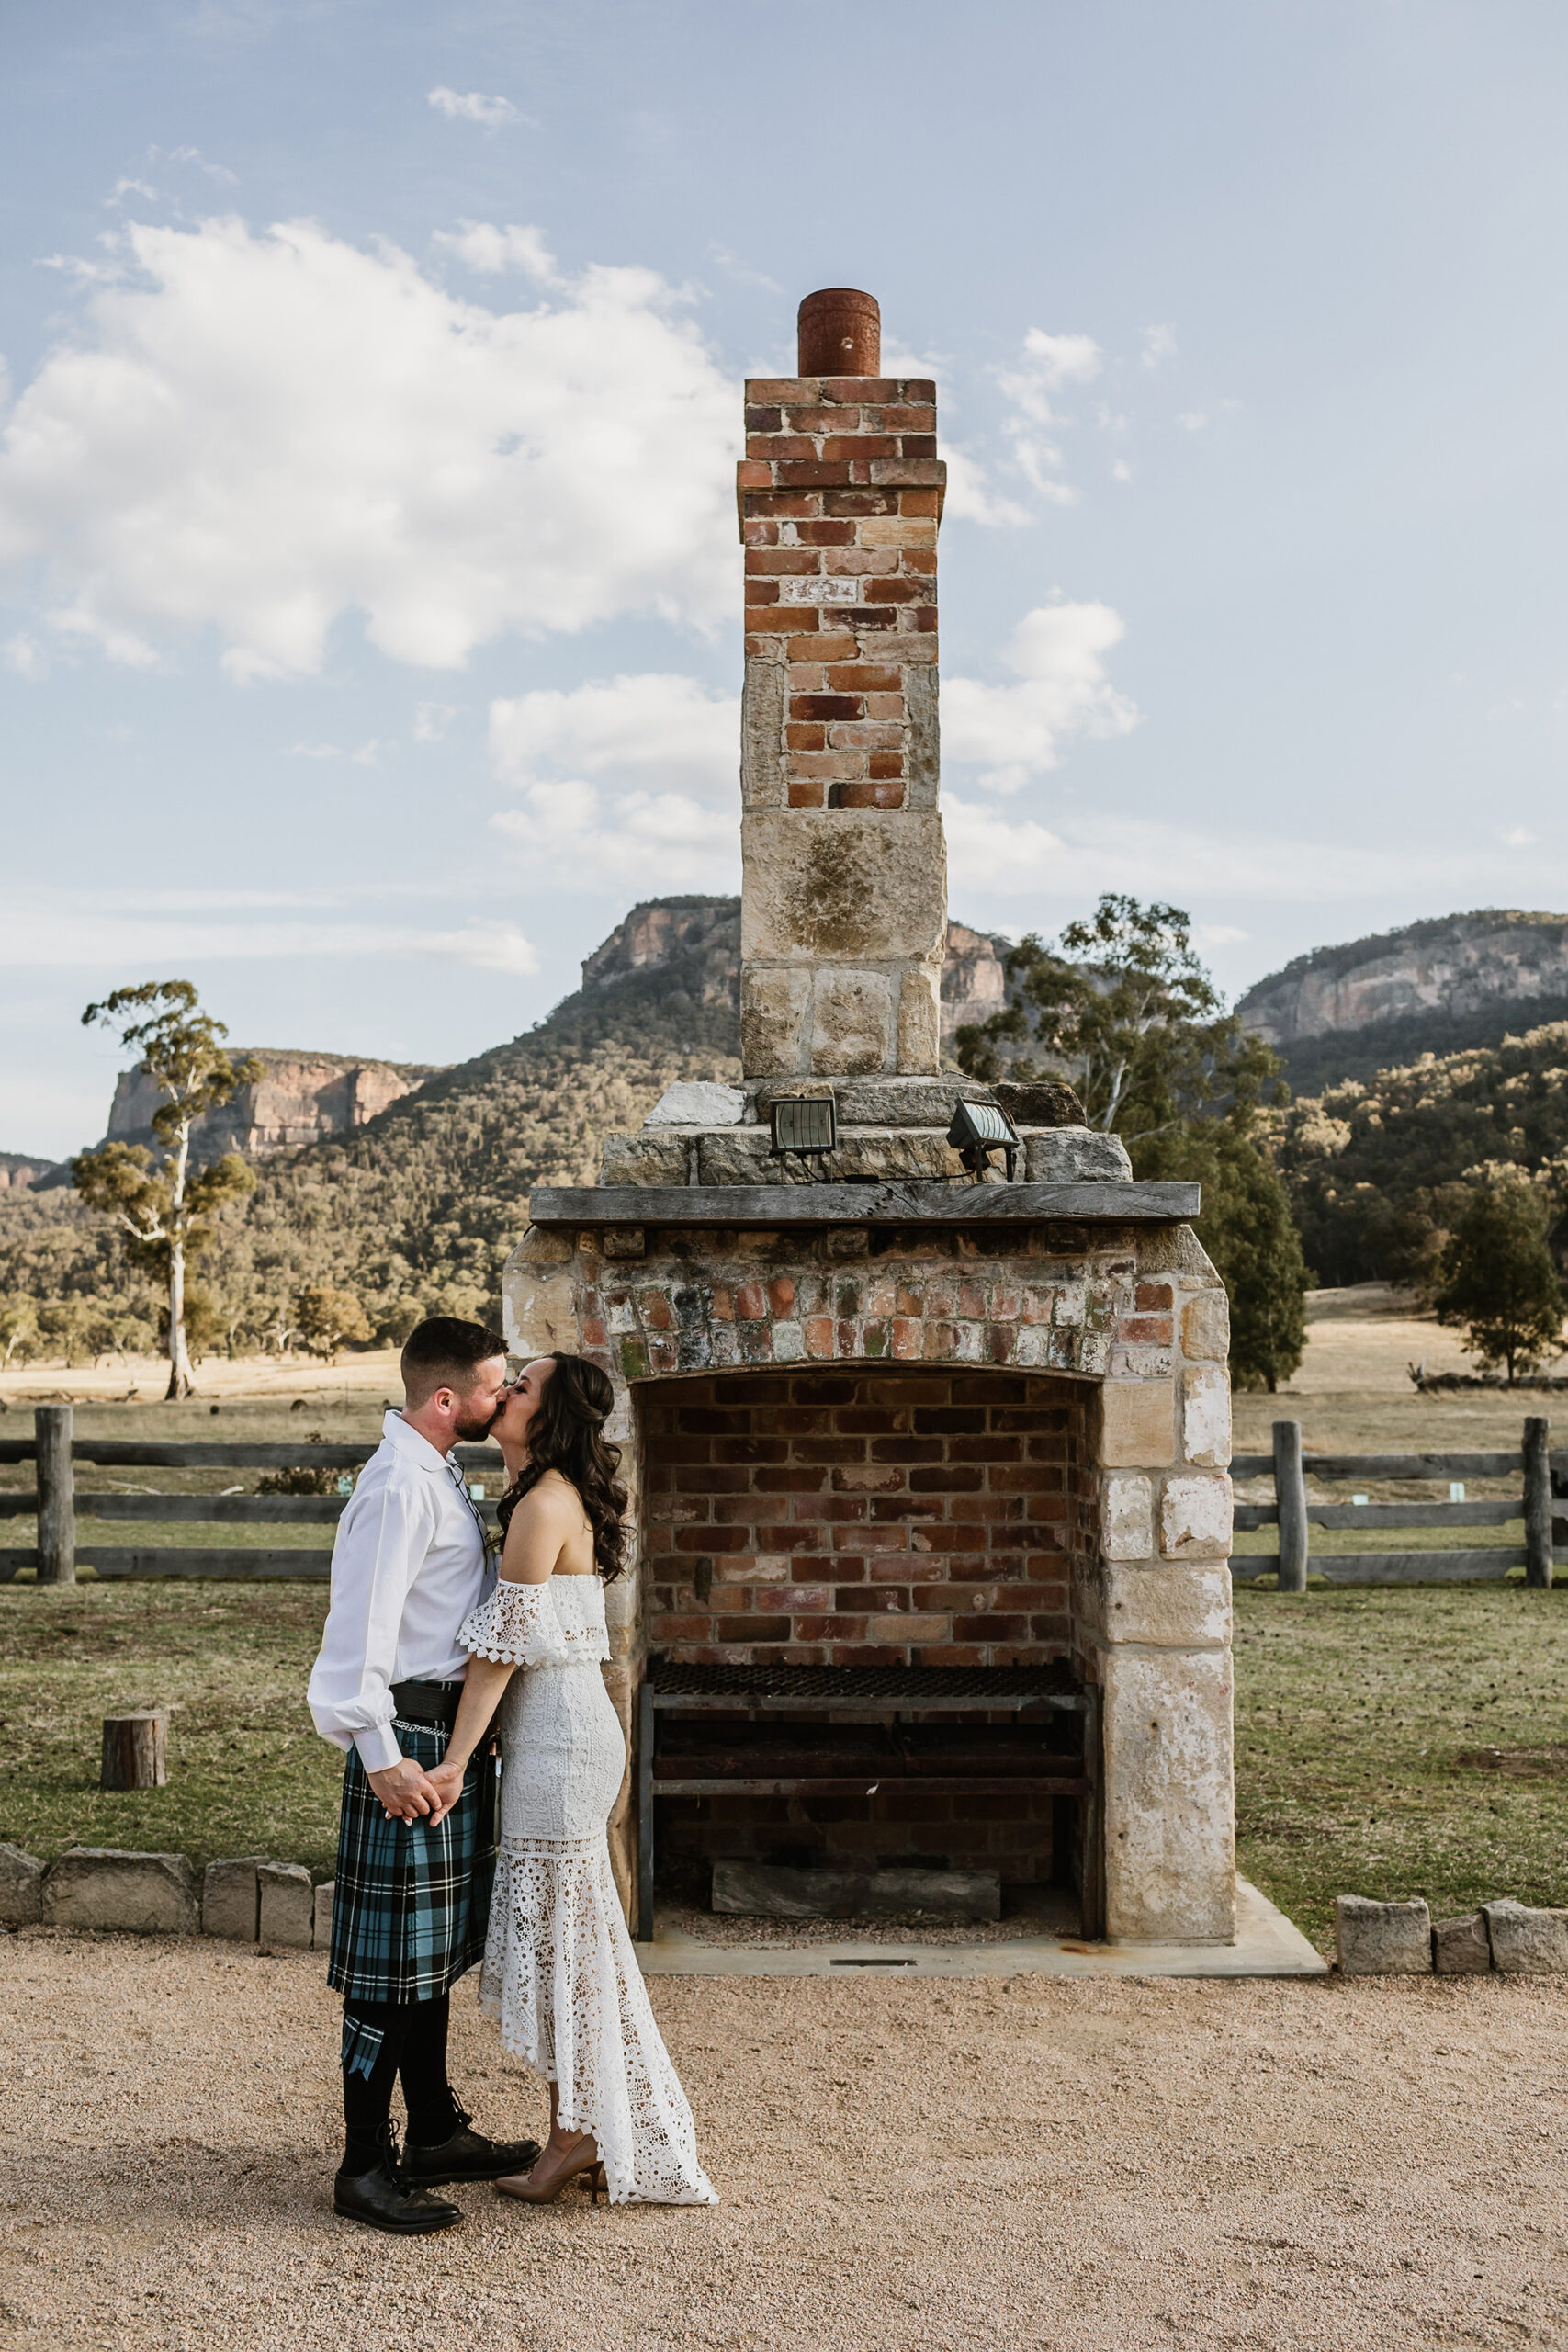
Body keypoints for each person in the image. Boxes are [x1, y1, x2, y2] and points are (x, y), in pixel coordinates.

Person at [424, 1352, 716, 2208]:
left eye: (519, 1388)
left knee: (567, 1951)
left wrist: (453, 1760)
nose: (504, 1393)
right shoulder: (543, 1497)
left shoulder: (544, 1503)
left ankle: (577, 2134)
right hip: (564, 1740)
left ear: (546, 1419)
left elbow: (496, 1657)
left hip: (559, 1750)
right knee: (568, 1949)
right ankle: (576, 2128)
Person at [307, 1315, 542, 2234]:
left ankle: (435, 2128)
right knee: (385, 1966)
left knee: (427, 1956)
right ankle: (363, 2165)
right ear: (447, 1400)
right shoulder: (399, 1486)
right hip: (402, 1737)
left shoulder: (434, 1472)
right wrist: (380, 1755)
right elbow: (356, 1631)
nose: (505, 1395)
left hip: (440, 1734)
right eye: (495, 1385)